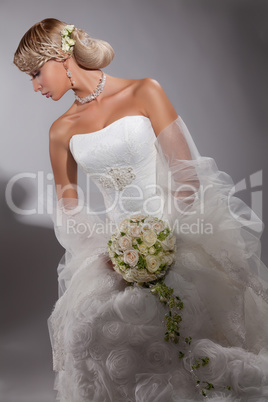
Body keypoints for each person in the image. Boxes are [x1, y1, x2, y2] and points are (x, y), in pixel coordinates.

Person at [14, 18, 268, 402]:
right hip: (116, 255)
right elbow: (70, 209)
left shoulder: (144, 91)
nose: (35, 86)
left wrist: (166, 242)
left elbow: (187, 177)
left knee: (192, 331)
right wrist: (112, 253)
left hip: (178, 234)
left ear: (60, 55)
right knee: (95, 334)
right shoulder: (61, 130)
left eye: (36, 73)